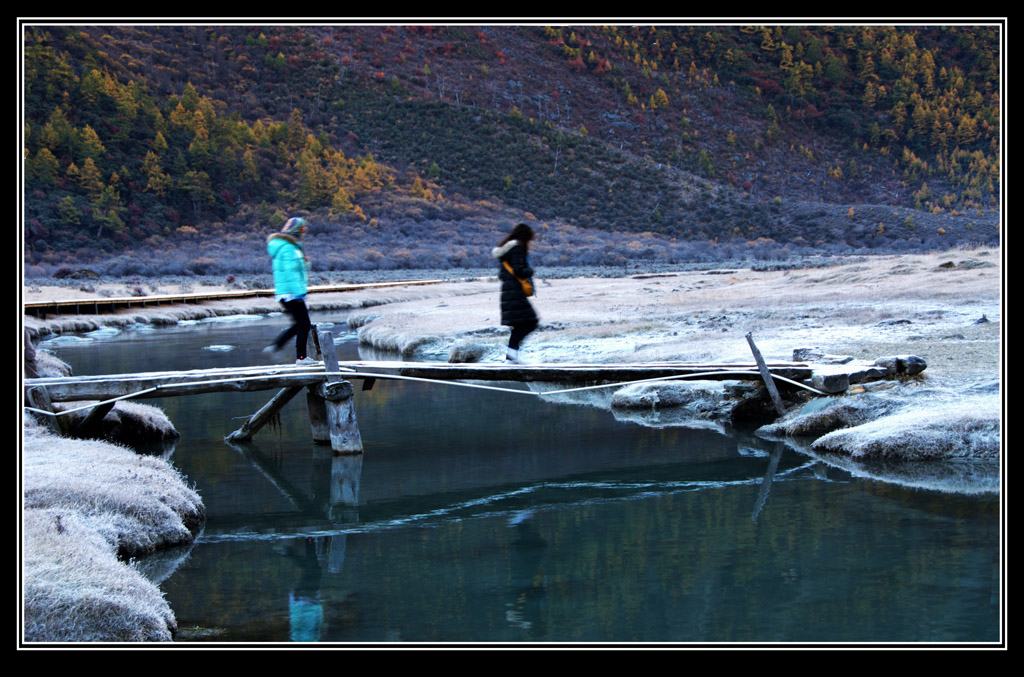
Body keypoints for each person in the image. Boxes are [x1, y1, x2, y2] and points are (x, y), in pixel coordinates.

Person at [265, 217, 318, 365]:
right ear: (296, 230)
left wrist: (304, 263)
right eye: (302, 229)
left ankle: (277, 345)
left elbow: (295, 267)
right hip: (291, 293)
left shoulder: (286, 246)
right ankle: (301, 358)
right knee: (304, 324)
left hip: (284, 292)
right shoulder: (289, 248)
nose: (304, 232)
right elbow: (290, 271)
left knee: (299, 323)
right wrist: (299, 294)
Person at [492, 223, 538, 364]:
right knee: (531, 322)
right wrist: (529, 271)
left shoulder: (506, 252)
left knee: (520, 325)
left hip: (509, 293)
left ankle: (512, 356)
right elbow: (519, 271)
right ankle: (512, 357)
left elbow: (501, 275)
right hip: (515, 293)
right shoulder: (517, 249)